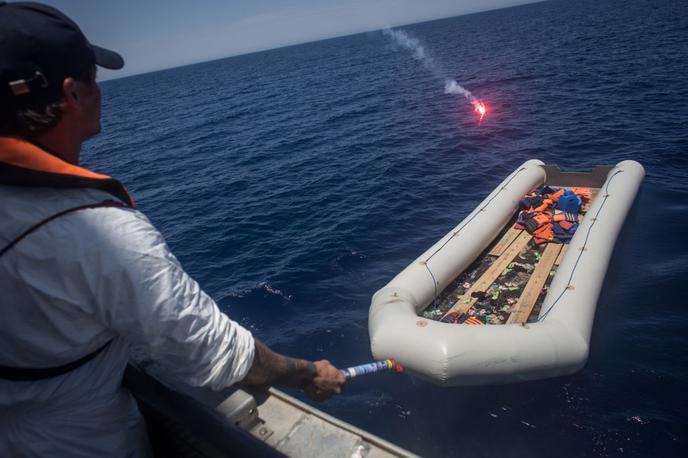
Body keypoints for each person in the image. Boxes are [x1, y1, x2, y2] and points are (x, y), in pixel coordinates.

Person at [0, 2, 346, 456]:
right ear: (73, 94)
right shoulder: (96, 232)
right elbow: (215, 353)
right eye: (93, 78)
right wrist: (307, 372)